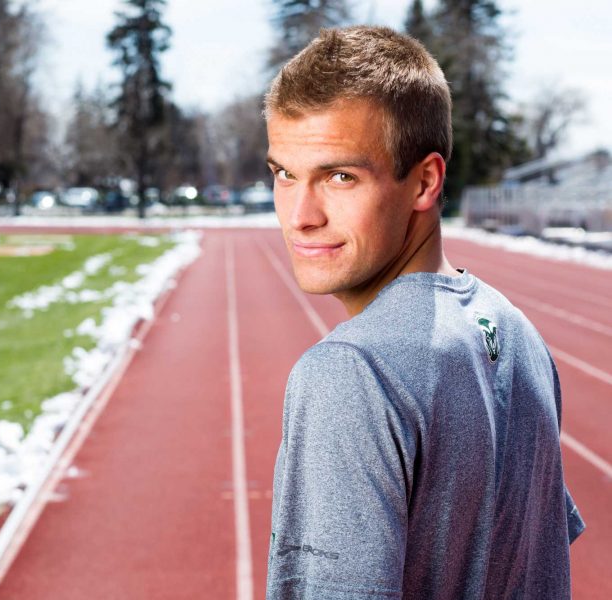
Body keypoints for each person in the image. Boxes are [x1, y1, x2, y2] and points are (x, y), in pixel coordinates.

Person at [264, 26, 585, 599]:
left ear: (426, 181)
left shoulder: (351, 373)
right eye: (285, 173)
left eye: (340, 176)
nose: (300, 215)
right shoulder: (515, 332)